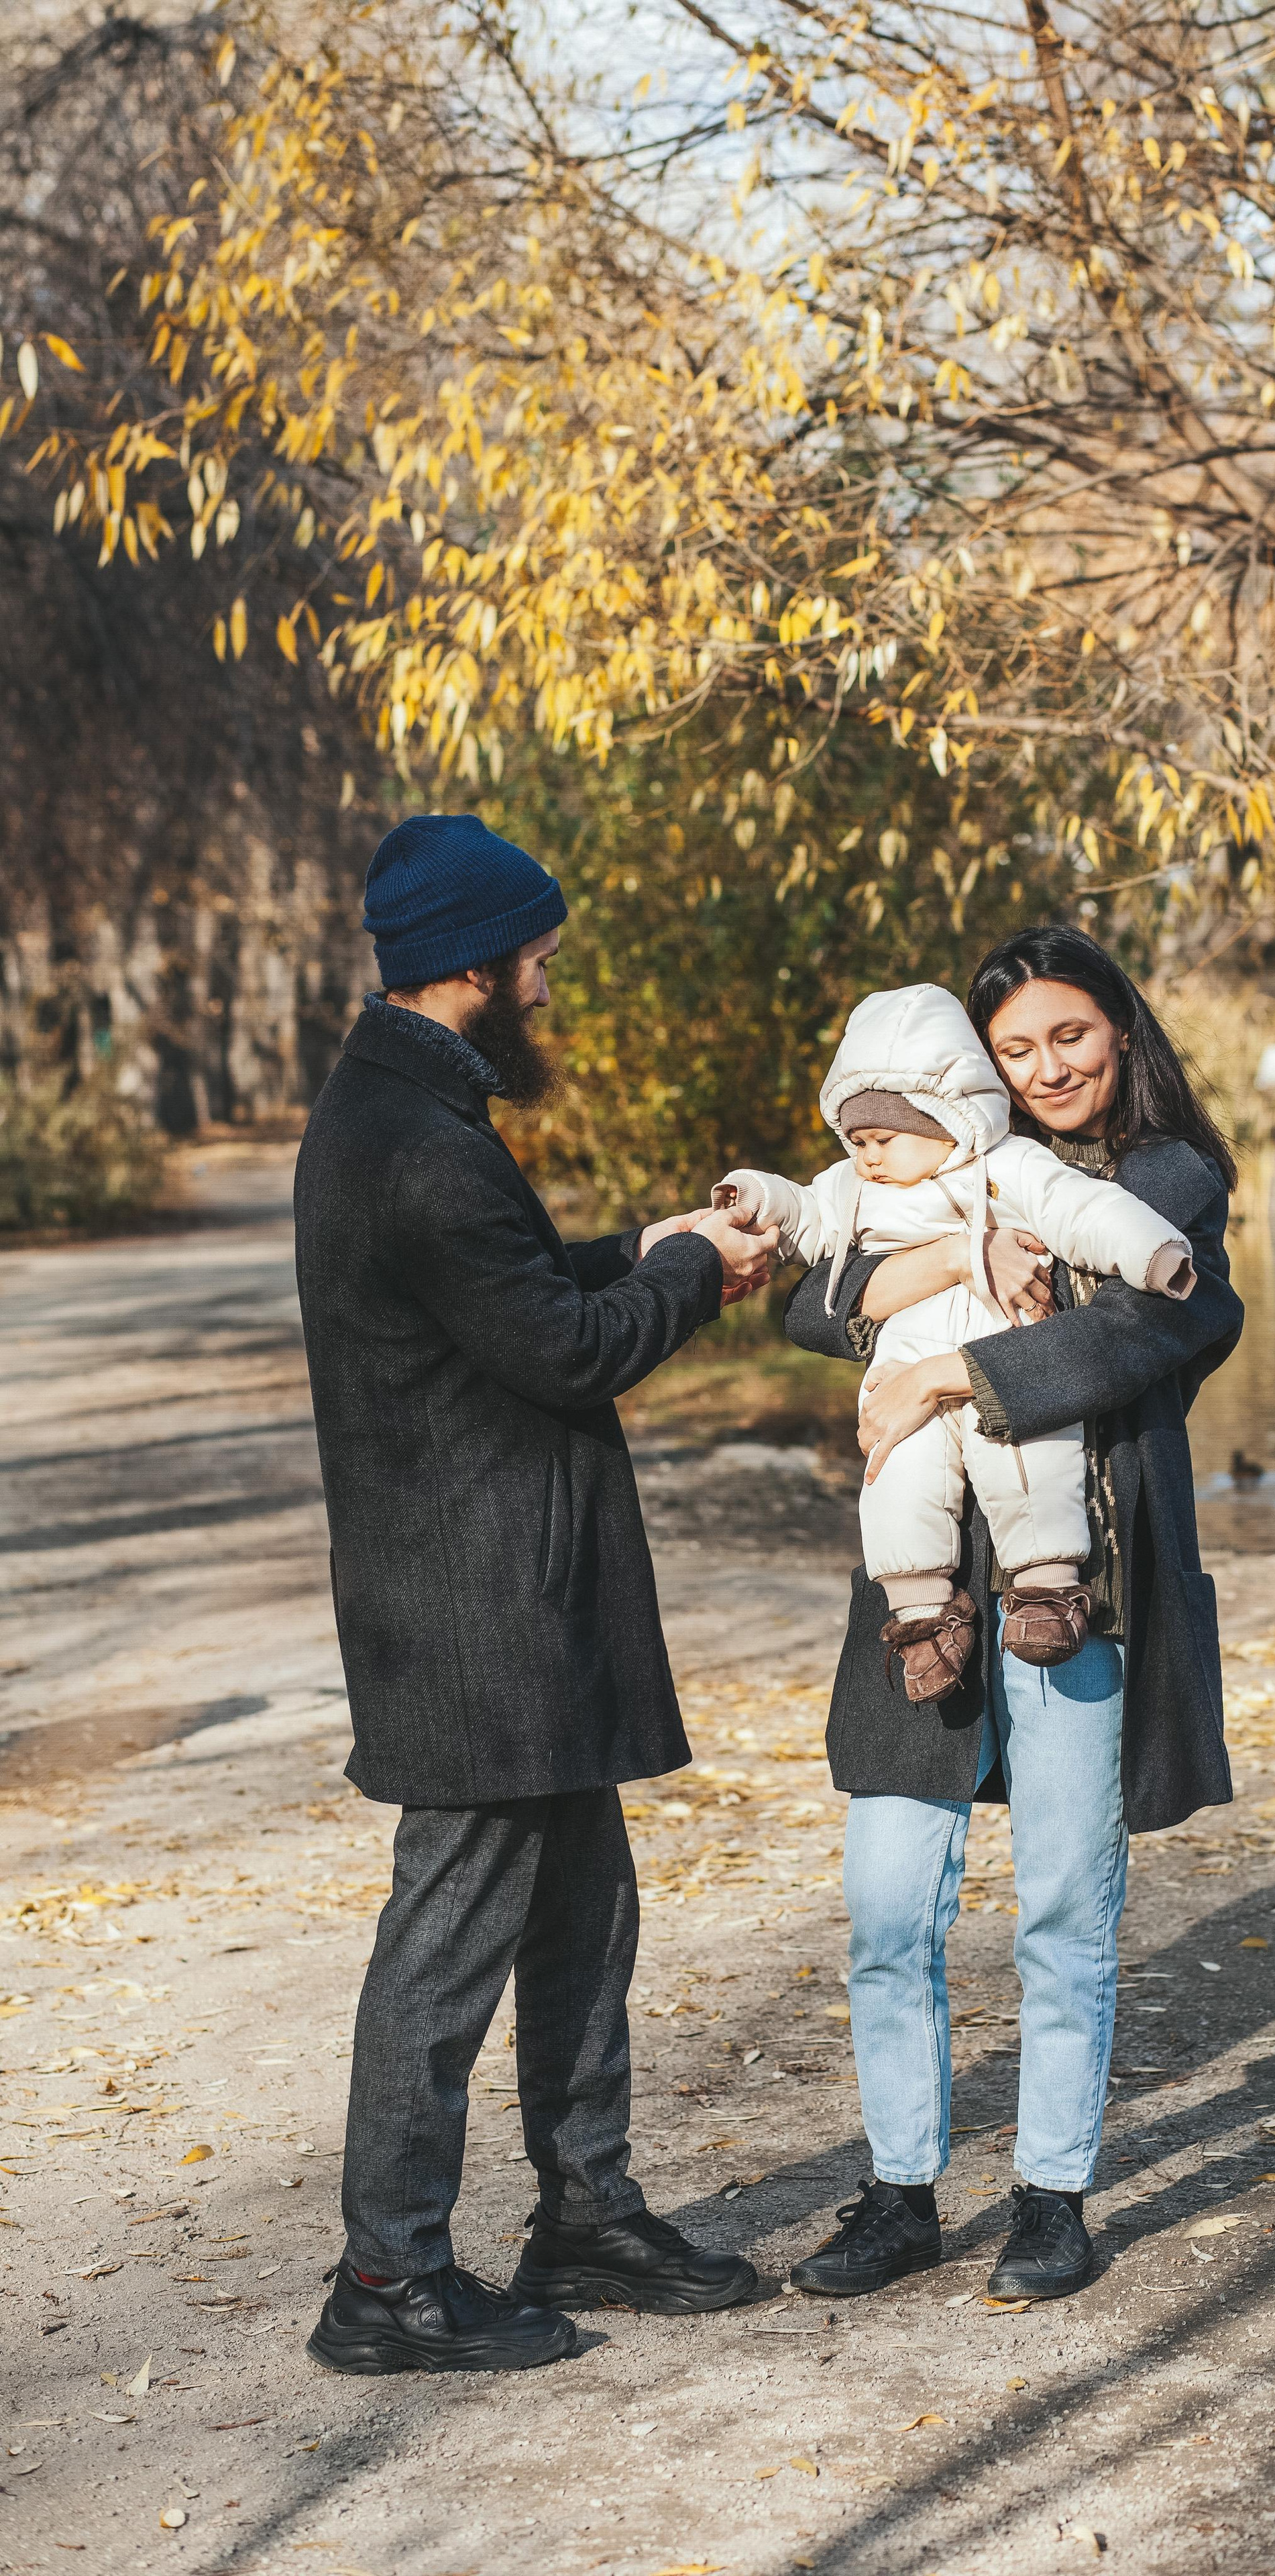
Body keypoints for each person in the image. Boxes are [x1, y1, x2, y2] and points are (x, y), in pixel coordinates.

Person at [294, 812, 775, 2376]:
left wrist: (644, 1242)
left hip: (511, 1605)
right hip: (475, 1624)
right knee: (447, 1945)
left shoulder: (403, 1111)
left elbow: (501, 1283)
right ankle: (386, 2279)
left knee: (585, 1914)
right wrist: (693, 1275)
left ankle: (583, 2208)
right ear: (474, 966)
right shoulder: (417, 1145)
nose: (547, 988)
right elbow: (566, 1350)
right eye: (539, 961)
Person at [781, 925, 1243, 2304]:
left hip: (1075, 1579)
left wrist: (935, 1380)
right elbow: (812, 1306)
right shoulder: (925, 1158)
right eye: (1014, 1050)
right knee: (885, 1901)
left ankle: (1051, 2194)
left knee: (1059, 1899)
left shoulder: (1169, 1181)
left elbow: (1146, 1331)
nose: (1046, 1068)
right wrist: (935, 1267)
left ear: (1121, 1034)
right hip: (925, 1581)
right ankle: (900, 2191)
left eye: (1071, 1037)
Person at [716, 982, 1195, 1689]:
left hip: (1008, 1359)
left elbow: (1088, 1223)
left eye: (1069, 1038)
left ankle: (1045, 1582)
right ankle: (919, 1610)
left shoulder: (1015, 1170)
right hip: (902, 1356)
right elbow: (809, 1269)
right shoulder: (857, 1183)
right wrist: (757, 1196)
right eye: (1016, 1050)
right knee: (895, 1473)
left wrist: (1155, 1254)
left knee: (1028, 1454)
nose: (869, 1156)